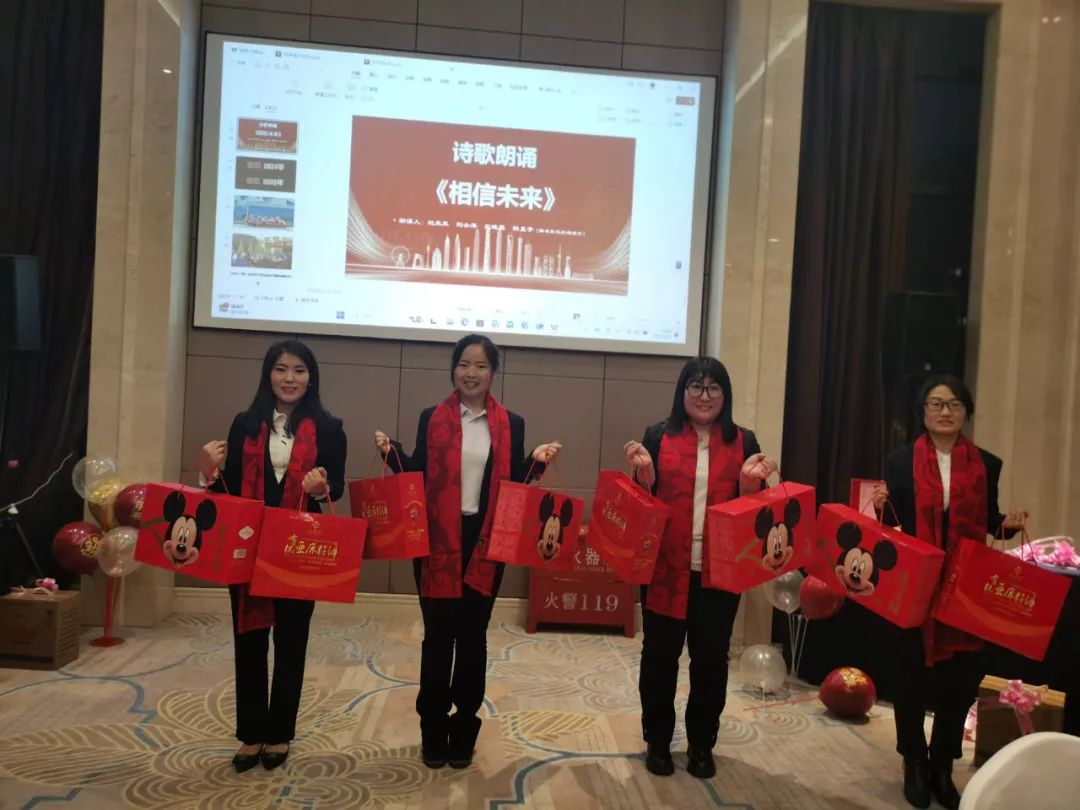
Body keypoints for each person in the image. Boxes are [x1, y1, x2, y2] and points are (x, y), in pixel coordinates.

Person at [374, 334, 562, 770]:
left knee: (473, 637)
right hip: (437, 539)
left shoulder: (511, 423)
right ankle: (432, 729)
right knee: (438, 637)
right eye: (463, 364)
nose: (470, 373)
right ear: (453, 368)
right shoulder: (432, 417)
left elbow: (513, 483)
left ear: (493, 373)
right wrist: (391, 454)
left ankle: (464, 729)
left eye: (480, 365)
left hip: (485, 538)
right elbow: (418, 473)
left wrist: (536, 462)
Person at [871, 374, 1026, 809]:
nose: (945, 412)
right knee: (911, 674)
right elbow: (892, 524)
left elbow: (990, 522)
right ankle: (914, 761)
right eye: (936, 404)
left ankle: (942, 764)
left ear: (966, 413)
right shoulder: (900, 461)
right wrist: (882, 507)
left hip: (965, 587)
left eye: (954, 404)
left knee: (959, 680)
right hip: (917, 583)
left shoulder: (987, 464)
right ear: (923, 413)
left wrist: (1009, 524)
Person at [197, 339, 346, 773]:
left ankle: (279, 732)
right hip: (248, 545)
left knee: (291, 640)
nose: (289, 378)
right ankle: (251, 733)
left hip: (298, 548)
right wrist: (207, 469)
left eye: (299, 370)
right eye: (281, 369)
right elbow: (227, 489)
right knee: (249, 638)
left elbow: (336, 485)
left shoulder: (330, 427)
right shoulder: (245, 424)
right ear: (268, 375)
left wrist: (322, 486)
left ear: (311, 378)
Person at [624, 356, 776, 779]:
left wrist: (751, 485)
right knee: (659, 657)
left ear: (725, 395)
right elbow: (642, 502)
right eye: (696, 386)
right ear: (682, 392)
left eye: (713, 388)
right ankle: (657, 740)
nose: (704, 396)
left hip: (719, 572)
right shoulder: (658, 435)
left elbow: (755, 513)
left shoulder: (744, 440)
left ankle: (701, 743)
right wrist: (644, 474)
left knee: (710, 661)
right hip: (665, 567)